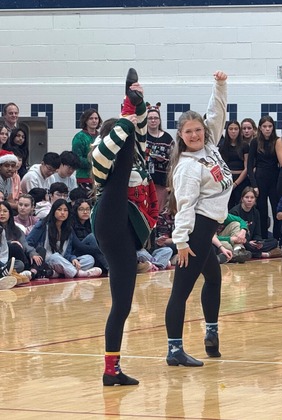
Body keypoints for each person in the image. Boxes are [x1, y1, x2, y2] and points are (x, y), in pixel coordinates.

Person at [165, 71, 233, 368]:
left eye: (198, 130)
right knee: (181, 290)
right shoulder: (188, 166)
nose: (194, 135)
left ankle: (211, 333)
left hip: (208, 229)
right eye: (188, 132)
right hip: (195, 231)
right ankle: (174, 350)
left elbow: (216, 113)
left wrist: (219, 85)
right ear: (181, 135)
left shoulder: (210, 147)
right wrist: (181, 242)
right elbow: (184, 206)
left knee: (214, 278)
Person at [90, 68, 148, 386]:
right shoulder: (105, 153)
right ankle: (110, 370)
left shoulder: (129, 149)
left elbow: (137, 132)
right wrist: (127, 108)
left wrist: (138, 101)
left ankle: (111, 370)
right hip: (110, 218)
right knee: (121, 303)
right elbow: (110, 149)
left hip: (119, 223)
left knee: (123, 303)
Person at [26, 198, 102, 279]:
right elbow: (28, 243)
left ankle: (60, 273)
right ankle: (78, 273)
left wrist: (73, 259)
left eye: (65, 210)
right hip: (47, 261)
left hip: (63, 261)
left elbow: (67, 254)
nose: (62, 213)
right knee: (55, 257)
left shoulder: (68, 229)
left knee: (89, 259)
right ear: (53, 211)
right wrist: (33, 253)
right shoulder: (42, 225)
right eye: (59, 209)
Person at [247, 115, 281, 241]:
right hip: (260, 178)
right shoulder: (255, 142)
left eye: (270, 126)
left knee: (276, 207)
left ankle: (277, 238)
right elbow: (250, 165)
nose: (267, 129)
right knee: (262, 209)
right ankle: (263, 237)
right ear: (260, 128)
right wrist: (254, 185)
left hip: (275, 178)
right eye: (265, 126)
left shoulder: (277, 141)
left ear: (273, 127)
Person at [230, 186, 281, 259]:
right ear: (242, 199)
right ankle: (262, 254)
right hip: (240, 241)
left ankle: (253, 253)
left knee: (274, 242)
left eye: (252, 198)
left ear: (255, 200)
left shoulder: (256, 212)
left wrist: (258, 242)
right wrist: (248, 242)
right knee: (242, 244)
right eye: (247, 197)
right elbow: (234, 234)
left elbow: (257, 233)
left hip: (251, 242)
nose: (249, 200)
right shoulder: (235, 212)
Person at [145, 104, 174, 213]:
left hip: (161, 180)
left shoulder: (167, 138)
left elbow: (174, 159)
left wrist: (164, 160)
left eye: (156, 118)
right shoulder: (142, 136)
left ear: (160, 120)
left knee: (158, 210)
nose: (153, 120)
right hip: (144, 179)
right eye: (150, 118)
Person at [219, 120, 249, 209]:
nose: (233, 131)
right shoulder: (222, 145)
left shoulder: (244, 145)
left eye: (236, 129)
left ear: (239, 131)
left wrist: (235, 184)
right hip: (227, 179)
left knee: (241, 206)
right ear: (227, 130)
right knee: (228, 206)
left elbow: (246, 167)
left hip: (241, 179)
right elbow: (220, 166)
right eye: (231, 129)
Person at [72, 108, 102, 192]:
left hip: (99, 178)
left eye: (96, 118)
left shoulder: (101, 136)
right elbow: (77, 159)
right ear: (85, 120)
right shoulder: (79, 137)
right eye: (91, 118)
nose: (94, 121)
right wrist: (94, 163)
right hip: (84, 178)